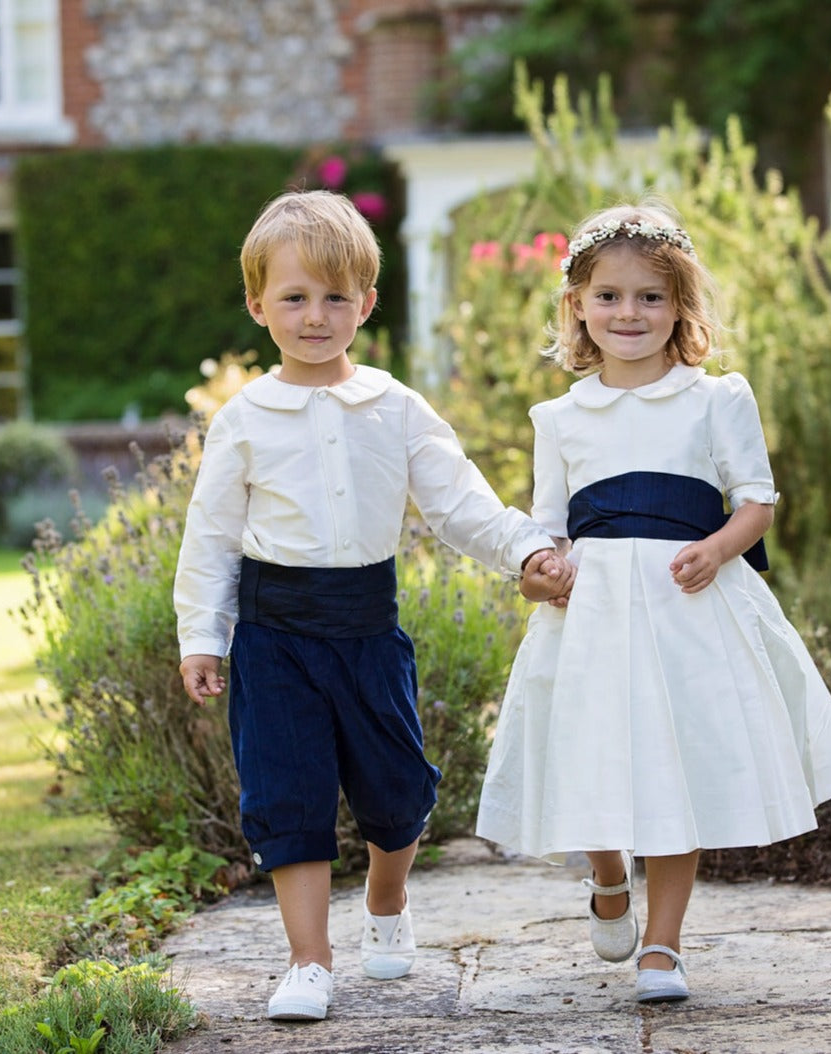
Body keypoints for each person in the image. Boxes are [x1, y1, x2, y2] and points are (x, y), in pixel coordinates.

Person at [174, 190, 573, 1023]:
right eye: (293, 297)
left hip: (366, 629)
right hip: (273, 635)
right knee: (289, 796)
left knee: (398, 795)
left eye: (333, 297)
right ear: (257, 305)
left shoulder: (396, 409)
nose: (314, 316)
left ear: (367, 303)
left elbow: (462, 505)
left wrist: (528, 549)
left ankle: (386, 905)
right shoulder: (243, 420)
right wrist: (202, 636)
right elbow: (210, 537)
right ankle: (309, 963)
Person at [475, 201, 831, 1004]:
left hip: (687, 608)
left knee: (675, 770)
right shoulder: (560, 418)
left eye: (651, 297)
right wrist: (537, 571)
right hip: (591, 617)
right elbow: (547, 527)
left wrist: (719, 549)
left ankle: (664, 943)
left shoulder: (715, 399)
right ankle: (609, 876)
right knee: (588, 754)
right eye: (610, 296)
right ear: (578, 304)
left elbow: (756, 502)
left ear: (681, 306)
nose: (630, 313)